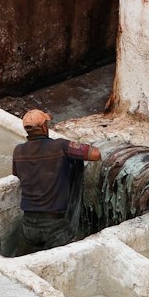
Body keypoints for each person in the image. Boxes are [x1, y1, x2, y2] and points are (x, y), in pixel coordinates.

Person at [11, 108, 101, 253]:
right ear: (44, 127)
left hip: (27, 225)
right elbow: (96, 154)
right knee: (78, 257)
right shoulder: (60, 146)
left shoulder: (18, 151)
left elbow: (18, 173)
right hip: (53, 226)